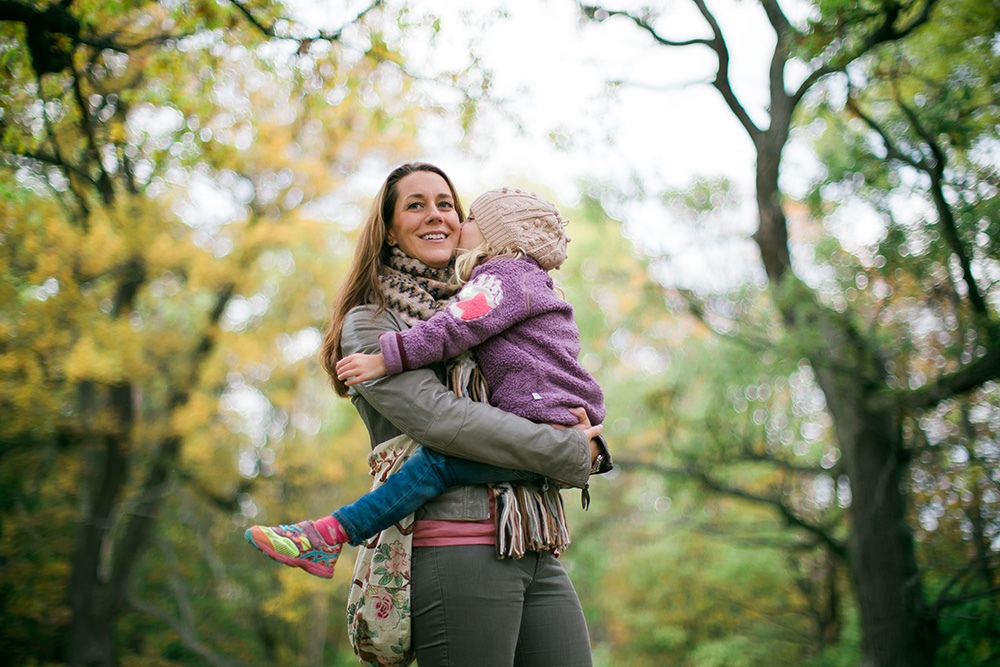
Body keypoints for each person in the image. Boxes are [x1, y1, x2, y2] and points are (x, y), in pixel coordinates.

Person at [251, 163, 611, 666]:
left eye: (446, 204)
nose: (435, 215)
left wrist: (577, 435)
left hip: (532, 538)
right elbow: (443, 422)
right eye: (415, 205)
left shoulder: (494, 304)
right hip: (457, 541)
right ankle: (328, 533)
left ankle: (329, 532)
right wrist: (572, 451)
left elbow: (544, 382)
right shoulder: (375, 323)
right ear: (388, 226)